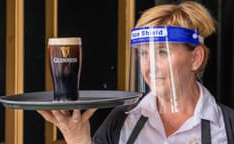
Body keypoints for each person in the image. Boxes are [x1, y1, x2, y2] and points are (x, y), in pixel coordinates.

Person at [37, 1, 234, 144]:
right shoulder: (121, 119)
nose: (149, 66)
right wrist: (78, 139)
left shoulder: (228, 126)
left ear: (195, 58)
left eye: (162, 52)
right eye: (143, 53)